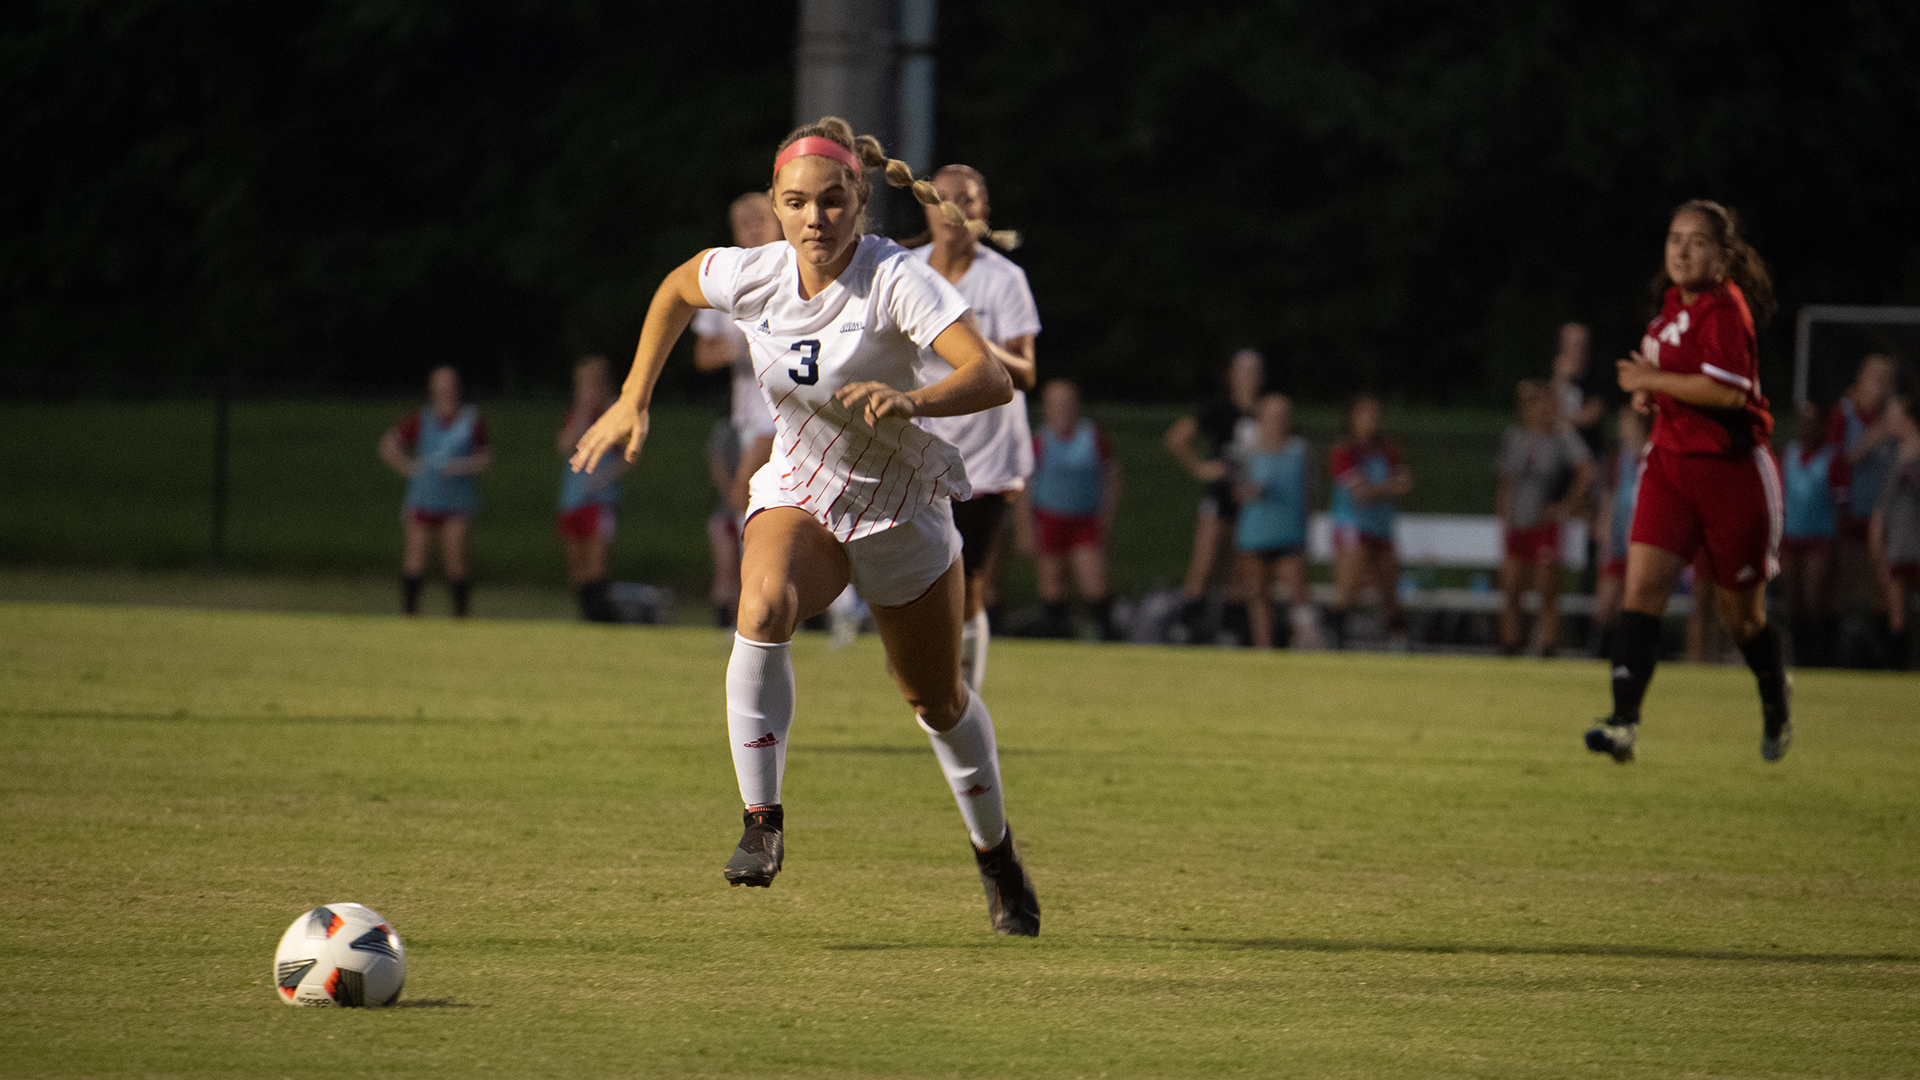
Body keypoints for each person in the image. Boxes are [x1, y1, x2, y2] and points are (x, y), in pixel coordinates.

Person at [569, 116, 1039, 936]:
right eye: (796, 204)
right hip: (804, 491)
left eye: (831, 201)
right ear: (776, 209)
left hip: (900, 507)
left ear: (860, 197)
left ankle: (996, 854)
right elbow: (678, 288)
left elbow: (992, 376)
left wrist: (914, 400)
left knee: (936, 700)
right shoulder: (754, 273)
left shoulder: (897, 278)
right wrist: (633, 395)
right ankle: (762, 821)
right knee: (762, 607)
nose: (815, 219)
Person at [1584, 199, 1790, 765]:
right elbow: (1670, 382)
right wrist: (1650, 391)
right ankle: (1623, 722)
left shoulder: (1726, 310)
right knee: (1641, 592)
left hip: (1731, 475)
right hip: (1671, 469)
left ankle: (1775, 695)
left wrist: (1653, 379)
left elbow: (1728, 393)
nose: (1680, 250)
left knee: (1741, 618)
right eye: (1675, 237)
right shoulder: (1670, 308)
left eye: (1697, 241)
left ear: (1723, 258)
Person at [909, 164, 1040, 690]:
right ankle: (923, 673)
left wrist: (972, 341)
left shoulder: (1004, 279)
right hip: (920, 446)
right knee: (918, 576)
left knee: (968, 578)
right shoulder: (906, 271)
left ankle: (962, 698)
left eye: (963, 199)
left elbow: (1027, 372)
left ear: (982, 212)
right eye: (939, 198)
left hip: (986, 453)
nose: (950, 210)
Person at [693, 193, 784, 519]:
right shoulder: (726, 282)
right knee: (754, 507)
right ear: (734, 232)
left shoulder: (795, 271)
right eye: (745, 224)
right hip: (746, 411)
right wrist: (745, 344)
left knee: (747, 494)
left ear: (778, 223)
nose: (754, 230)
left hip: (783, 410)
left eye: (761, 221)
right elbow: (703, 354)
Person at [1165, 350, 1264, 642]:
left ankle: (1230, 629)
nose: (1249, 377)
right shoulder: (1220, 408)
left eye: (1255, 371)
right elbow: (1178, 437)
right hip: (1221, 495)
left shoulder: (1263, 412)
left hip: (1251, 499)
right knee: (1206, 560)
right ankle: (1185, 625)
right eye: (1243, 371)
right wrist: (1200, 467)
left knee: (1240, 567)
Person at [379, 366, 492, 617]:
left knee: (456, 562)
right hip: (424, 497)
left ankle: (460, 617)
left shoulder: (470, 420)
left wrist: (460, 466)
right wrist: (407, 467)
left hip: (457, 500)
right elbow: (388, 445)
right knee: (415, 561)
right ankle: (410, 614)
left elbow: (486, 457)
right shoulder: (422, 419)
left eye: (449, 385)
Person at [1495, 380, 1594, 656]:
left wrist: (1564, 506)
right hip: (1518, 524)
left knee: (1547, 590)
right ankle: (1510, 645)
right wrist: (1505, 519)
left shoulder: (1560, 440)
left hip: (1545, 525)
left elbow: (1586, 471)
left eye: (1541, 403)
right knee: (1512, 587)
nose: (1537, 410)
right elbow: (1506, 482)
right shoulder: (1515, 438)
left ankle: (1549, 646)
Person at [1028, 379, 1120, 640]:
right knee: (1052, 580)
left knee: (1094, 581)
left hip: (1084, 518)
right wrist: (1026, 525)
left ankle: (1106, 632)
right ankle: (1057, 633)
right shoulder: (1040, 439)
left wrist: (1107, 513)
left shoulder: (1091, 436)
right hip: (1050, 516)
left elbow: (1112, 474)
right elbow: (1027, 484)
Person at [1326, 393, 1411, 648]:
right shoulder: (1344, 449)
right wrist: (1388, 488)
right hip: (1353, 525)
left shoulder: (1387, 448)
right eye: (1365, 413)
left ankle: (1399, 645)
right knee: (1349, 591)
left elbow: (1404, 484)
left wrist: (1375, 489)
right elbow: (1359, 493)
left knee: (1389, 593)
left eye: (1375, 413)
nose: (1371, 418)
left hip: (1381, 527)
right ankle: (1336, 644)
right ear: (1352, 417)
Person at [1827, 354, 1900, 646]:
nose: (1879, 386)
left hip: (1884, 516)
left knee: (1880, 584)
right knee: (1842, 583)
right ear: (1861, 380)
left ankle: (1882, 648)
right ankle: (1839, 646)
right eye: (1874, 379)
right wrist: (1876, 436)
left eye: (1886, 380)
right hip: (1849, 513)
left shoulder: (1897, 416)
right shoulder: (1845, 414)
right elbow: (1839, 460)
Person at [1233, 393, 1317, 649]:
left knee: (1296, 590)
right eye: (1271, 416)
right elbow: (1237, 491)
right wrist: (1250, 491)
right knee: (1257, 594)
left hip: (1289, 532)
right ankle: (1264, 648)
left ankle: (1307, 642)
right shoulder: (1247, 451)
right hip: (1255, 532)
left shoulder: (1299, 450)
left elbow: (1309, 493)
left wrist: (1306, 529)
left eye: (1282, 416)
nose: (1277, 421)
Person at [1778, 401, 1850, 665]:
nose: (1807, 427)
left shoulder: (1833, 458)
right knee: (1793, 602)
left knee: (1814, 600)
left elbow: (1841, 506)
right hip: (1791, 538)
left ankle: (1822, 659)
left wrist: (1836, 546)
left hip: (1819, 539)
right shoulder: (1790, 455)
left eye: (1813, 421)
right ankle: (1800, 658)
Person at [555, 356, 625, 622]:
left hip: (601, 498)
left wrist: (605, 477)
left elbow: (629, 456)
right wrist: (581, 415)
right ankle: (587, 617)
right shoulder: (575, 414)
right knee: (577, 567)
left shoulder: (616, 413)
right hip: (572, 498)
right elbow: (563, 446)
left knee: (597, 562)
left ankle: (601, 619)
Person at [1593, 408, 1649, 656]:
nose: (1622, 428)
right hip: (1618, 539)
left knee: (1634, 604)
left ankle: (1628, 657)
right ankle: (1601, 653)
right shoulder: (1619, 459)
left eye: (1626, 422)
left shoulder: (1651, 455)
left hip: (1643, 540)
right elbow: (1609, 495)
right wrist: (1604, 525)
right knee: (1607, 605)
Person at [1869, 395, 1920, 663]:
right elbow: (1883, 502)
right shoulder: (1890, 453)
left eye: (1893, 414)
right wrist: (1878, 536)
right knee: (1896, 614)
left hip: (1914, 539)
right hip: (1897, 542)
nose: (1888, 420)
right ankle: (1897, 667)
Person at [1550, 322, 1607, 454]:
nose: (1577, 350)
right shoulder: (1556, 374)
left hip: (1589, 451)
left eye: (1581, 344)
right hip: (1559, 453)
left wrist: (1561, 415)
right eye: (1571, 344)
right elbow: (1544, 412)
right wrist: (1560, 380)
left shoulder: (1595, 376)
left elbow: (1590, 418)